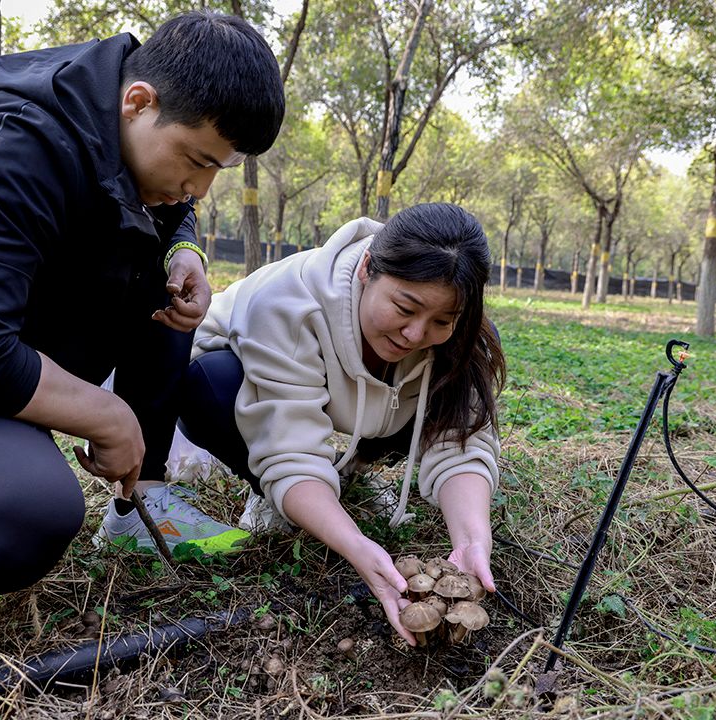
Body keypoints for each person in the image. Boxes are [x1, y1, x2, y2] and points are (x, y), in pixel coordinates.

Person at [0, 11, 284, 612]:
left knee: (160, 283)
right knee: (23, 515)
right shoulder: (13, 144)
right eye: (196, 162)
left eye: (218, 170)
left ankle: (141, 507)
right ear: (137, 102)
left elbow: (166, 209)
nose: (198, 189)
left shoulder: (123, 132)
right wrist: (107, 413)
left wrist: (184, 246)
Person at [177, 203, 506, 645]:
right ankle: (271, 495)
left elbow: (459, 440)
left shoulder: (458, 334)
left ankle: (350, 472)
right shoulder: (289, 303)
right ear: (367, 268)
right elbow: (288, 450)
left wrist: (471, 539)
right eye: (405, 308)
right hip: (241, 389)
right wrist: (353, 544)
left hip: (369, 407)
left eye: (442, 320)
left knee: (464, 355)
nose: (415, 334)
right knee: (210, 383)